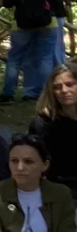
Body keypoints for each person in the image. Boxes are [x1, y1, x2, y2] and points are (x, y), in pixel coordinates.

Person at [0, 0, 67, 104]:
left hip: (21, 22)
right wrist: (60, 15)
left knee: (15, 58)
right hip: (47, 21)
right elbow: (56, 0)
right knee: (45, 58)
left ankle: (7, 94)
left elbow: (8, 2)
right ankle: (42, 93)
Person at [31, 66, 77, 196]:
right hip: (60, 184)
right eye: (57, 87)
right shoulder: (44, 122)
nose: (64, 90)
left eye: (70, 84)